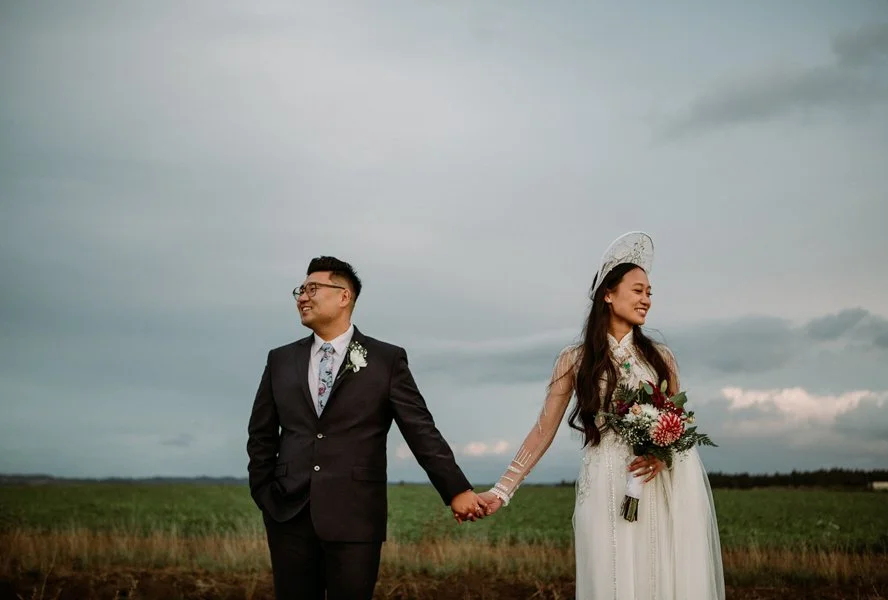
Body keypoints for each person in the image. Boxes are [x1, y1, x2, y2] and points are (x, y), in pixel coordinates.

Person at [478, 232, 725, 599]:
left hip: (653, 488)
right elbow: (542, 430)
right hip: (603, 484)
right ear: (608, 294)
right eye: (639, 290)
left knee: (655, 577)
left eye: (650, 293)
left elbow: (680, 427)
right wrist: (502, 490)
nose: (647, 300)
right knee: (609, 576)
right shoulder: (574, 360)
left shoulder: (661, 359)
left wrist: (661, 457)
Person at [247, 256, 487, 600]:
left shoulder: (386, 360)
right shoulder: (280, 360)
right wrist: (265, 493)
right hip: (287, 514)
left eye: (312, 288)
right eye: (300, 290)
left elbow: (420, 429)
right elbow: (261, 435)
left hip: (356, 515)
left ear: (344, 296)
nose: (302, 297)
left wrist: (456, 490)